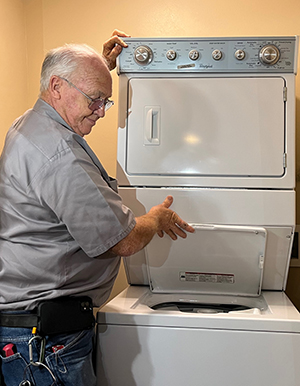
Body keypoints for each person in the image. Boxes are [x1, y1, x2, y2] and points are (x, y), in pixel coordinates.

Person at [0, 30, 194, 386]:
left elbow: (74, 88)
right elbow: (123, 242)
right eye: (96, 99)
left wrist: (99, 71)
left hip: (35, 332)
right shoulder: (58, 155)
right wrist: (155, 218)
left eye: (105, 100)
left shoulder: (31, 124)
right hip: (45, 343)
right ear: (57, 87)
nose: (102, 111)